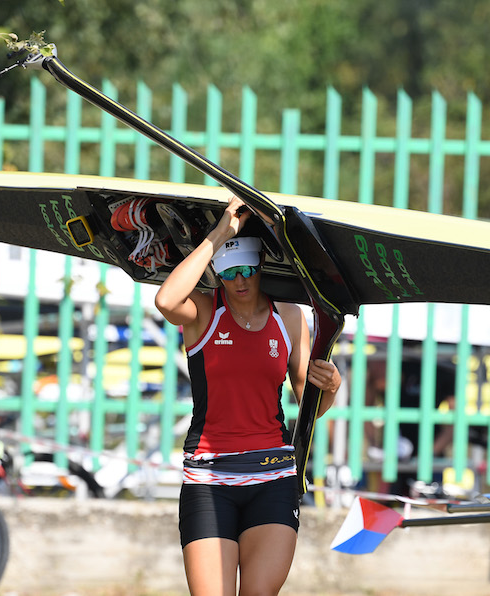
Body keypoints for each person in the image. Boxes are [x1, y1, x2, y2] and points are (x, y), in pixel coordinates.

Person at [154, 196, 342, 596]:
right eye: (228, 272)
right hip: (209, 477)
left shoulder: (289, 318)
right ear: (216, 273)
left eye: (247, 270)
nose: (239, 281)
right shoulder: (204, 311)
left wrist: (330, 388)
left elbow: (311, 408)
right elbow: (166, 300)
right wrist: (221, 233)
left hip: (273, 475)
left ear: (261, 265)